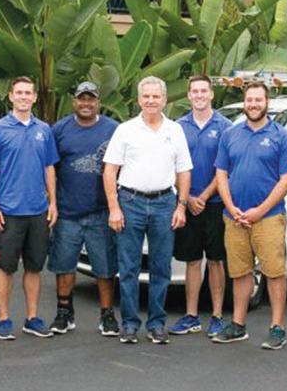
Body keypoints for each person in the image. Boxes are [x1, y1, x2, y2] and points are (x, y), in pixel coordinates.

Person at [103, 76, 192, 345]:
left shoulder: (175, 130)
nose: (151, 101)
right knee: (128, 267)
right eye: (146, 96)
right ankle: (129, 324)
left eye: (156, 96)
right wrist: (114, 208)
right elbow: (110, 171)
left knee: (161, 267)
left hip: (165, 203)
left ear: (164, 99)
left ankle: (157, 324)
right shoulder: (125, 130)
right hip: (130, 202)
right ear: (139, 99)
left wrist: (181, 206)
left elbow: (184, 171)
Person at [214, 81, 287, 350]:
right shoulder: (230, 134)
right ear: (244, 102)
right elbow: (221, 173)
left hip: (269, 217)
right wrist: (231, 207)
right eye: (249, 100)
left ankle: (277, 327)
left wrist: (259, 211)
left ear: (267, 102)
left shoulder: (282, 136)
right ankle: (238, 325)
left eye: (258, 100)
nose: (253, 104)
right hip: (235, 217)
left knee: (274, 272)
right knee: (240, 273)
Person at [0, 76, 59, 340]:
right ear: (11, 96)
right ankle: (3, 319)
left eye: (28, 93)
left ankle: (32, 318)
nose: (24, 97)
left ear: (34, 97)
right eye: (19, 93)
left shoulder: (43, 130)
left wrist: (53, 202)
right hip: (9, 212)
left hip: (38, 210)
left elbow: (49, 167)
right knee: (6, 267)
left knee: (34, 267)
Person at [47, 82, 120, 336]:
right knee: (64, 265)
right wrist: (52, 202)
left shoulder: (113, 129)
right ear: (74, 101)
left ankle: (107, 315)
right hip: (68, 211)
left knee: (105, 267)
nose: (86, 104)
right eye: (81, 99)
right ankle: (64, 313)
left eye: (91, 99)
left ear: (98, 102)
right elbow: (50, 168)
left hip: (101, 211)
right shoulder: (60, 129)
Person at [169, 76, 232, 338]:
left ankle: (217, 316)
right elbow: (172, 165)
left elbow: (224, 168)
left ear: (211, 94)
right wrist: (188, 199)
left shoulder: (225, 127)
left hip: (215, 204)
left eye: (203, 91)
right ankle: (191, 315)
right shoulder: (177, 127)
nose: (199, 95)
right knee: (193, 261)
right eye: (194, 91)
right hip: (186, 203)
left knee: (216, 261)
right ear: (189, 95)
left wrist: (203, 197)